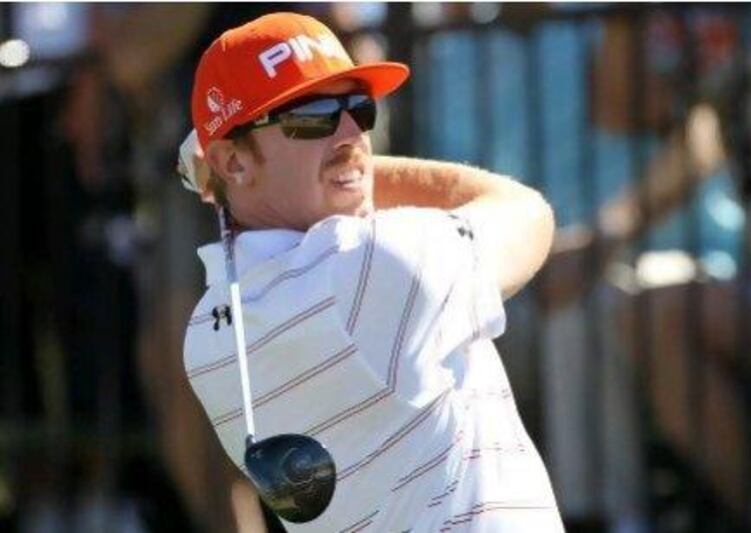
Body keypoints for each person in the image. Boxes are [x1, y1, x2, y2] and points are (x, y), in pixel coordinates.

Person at [180, 11, 562, 532]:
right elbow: (525, 211)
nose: (350, 134)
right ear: (230, 160)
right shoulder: (372, 263)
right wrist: (351, 168)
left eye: (358, 110)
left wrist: (247, 171)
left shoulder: (204, 338)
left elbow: (273, 194)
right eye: (311, 115)